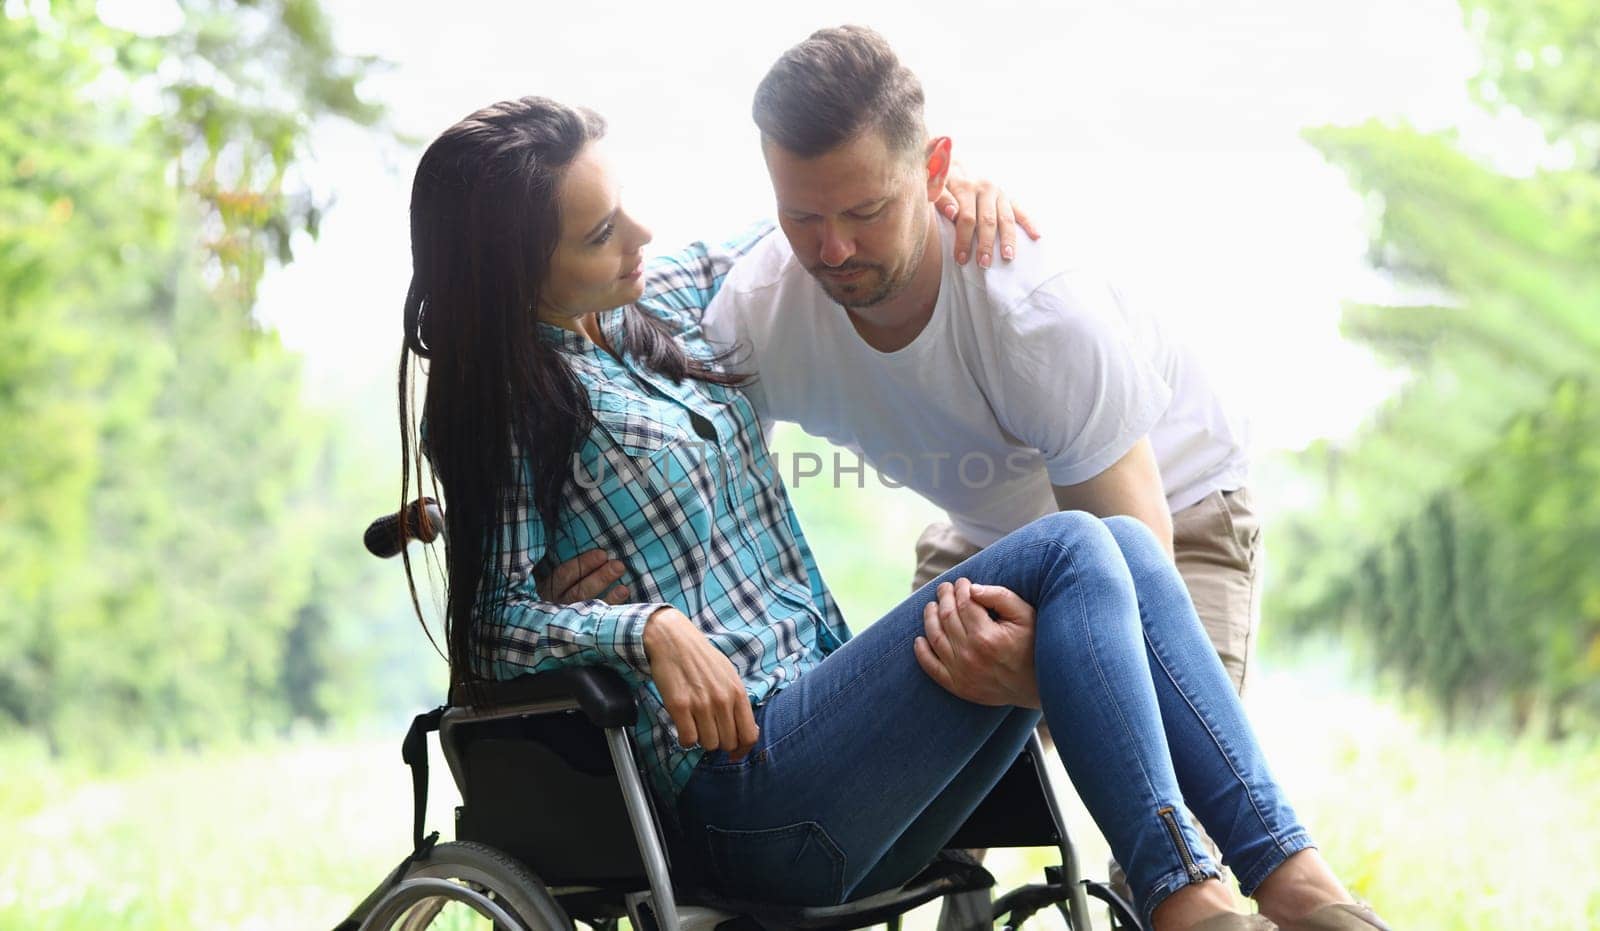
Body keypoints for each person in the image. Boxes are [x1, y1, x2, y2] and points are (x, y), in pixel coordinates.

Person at [398, 95, 1390, 931]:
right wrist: (642, 628)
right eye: (601, 231)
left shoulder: (658, 301)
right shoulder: (517, 404)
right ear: (514, 271)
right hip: (748, 798)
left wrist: (948, 188)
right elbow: (489, 619)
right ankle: (1202, 897)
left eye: (626, 209)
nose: (642, 237)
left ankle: (1280, 882)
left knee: (1122, 543)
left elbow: (834, 220)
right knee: (1078, 545)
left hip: (823, 743)